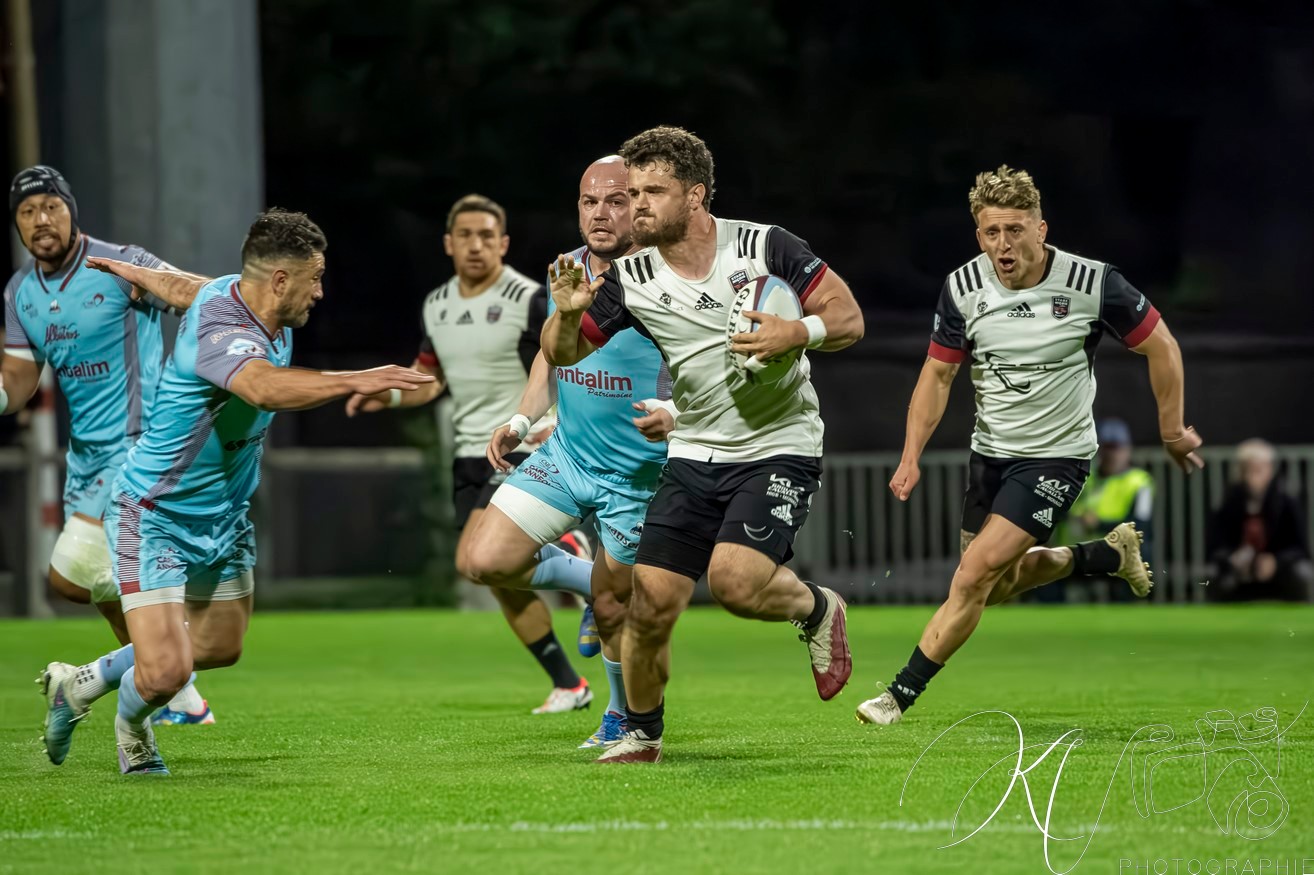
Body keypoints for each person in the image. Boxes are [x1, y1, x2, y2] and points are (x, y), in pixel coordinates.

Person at [37, 208, 434, 775]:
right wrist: (355, 378)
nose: (321, 292)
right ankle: (132, 730)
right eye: (315, 278)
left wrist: (137, 272)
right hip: (156, 513)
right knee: (167, 673)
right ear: (280, 280)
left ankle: (78, 685)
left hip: (224, 515)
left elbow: (186, 287)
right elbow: (264, 387)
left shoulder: (241, 297)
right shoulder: (224, 331)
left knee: (219, 647)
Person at [543, 126, 865, 764]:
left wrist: (795, 332)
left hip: (778, 443)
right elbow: (564, 353)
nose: (637, 205)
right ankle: (642, 733)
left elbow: (849, 318)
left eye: (652, 192)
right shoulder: (631, 276)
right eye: (633, 192)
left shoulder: (764, 245)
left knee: (736, 585)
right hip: (693, 450)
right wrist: (566, 311)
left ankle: (817, 608)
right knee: (649, 604)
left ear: (694, 196)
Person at [856, 165, 1204, 727]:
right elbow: (938, 375)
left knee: (972, 577)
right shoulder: (962, 287)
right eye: (992, 232)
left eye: (1015, 230)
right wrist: (910, 455)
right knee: (997, 585)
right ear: (979, 235)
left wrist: (1171, 430)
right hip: (991, 455)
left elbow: (1162, 346)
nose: (1004, 245)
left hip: (1058, 457)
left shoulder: (1092, 283)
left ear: (1041, 229)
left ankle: (897, 696)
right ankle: (1104, 555)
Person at [346, 194, 595, 715]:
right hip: (467, 455)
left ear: (503, 243)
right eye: (465, 235)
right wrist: (385, 395)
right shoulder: (436, 305)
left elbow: (565, 359)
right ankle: (570, 685)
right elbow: (430, 379)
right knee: (492, 574)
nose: (475, 245)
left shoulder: (530, 297)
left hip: (523, 446)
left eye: (486, 236)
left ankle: (589, 576)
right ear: (448, 243)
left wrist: (555, 420)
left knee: (470, 560)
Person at [461, 156, 676, 747]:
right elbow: (552, 351)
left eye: (616, 200)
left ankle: (620, 714)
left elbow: (704, 365)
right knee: (485, 560)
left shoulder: (666, 277)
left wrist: (675, 413)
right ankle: (587, 579)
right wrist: (522, 418)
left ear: (640, 204)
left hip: (639, 473)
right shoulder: (569, 268)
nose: (601, 213)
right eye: (589, 201)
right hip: (568, 455)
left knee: (618, 611)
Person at [2, 164, 214, 725]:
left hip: (139, 445)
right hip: (86, 456)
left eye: (51, 206)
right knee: (104, 588)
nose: (41, 219)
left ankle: (134, 670)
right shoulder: (20, 292)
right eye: (27, 211)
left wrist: (153, 280)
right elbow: (19, 379)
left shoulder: (121, 264)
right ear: (17, 225)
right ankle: (180, 691)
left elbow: (207, 297)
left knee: (68, 575)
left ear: (71, 211)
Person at [1048, 418, 1154, 603]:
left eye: (1116, 448)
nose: (1111, 455)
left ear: (1128, 450)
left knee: (1140, 551)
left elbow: (1140, 524)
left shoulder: (1139, 482)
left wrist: (1099, 524)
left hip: (1115, 552)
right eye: (1106, 448)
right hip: (1077, 549)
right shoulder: (1083, 477)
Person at [1208, 439, 1312, 602]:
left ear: (1270, 469)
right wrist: (1232, 559)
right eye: (1248, 469)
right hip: (1239, 573)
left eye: (1258, 469)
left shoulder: (1286, 502)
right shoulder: (1229, 503)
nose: (1253, 476)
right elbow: (1215, 548)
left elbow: (1301, 549)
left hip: (1279, 572)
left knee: (1302, 572)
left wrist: (1275, 562)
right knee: (1212, 574)